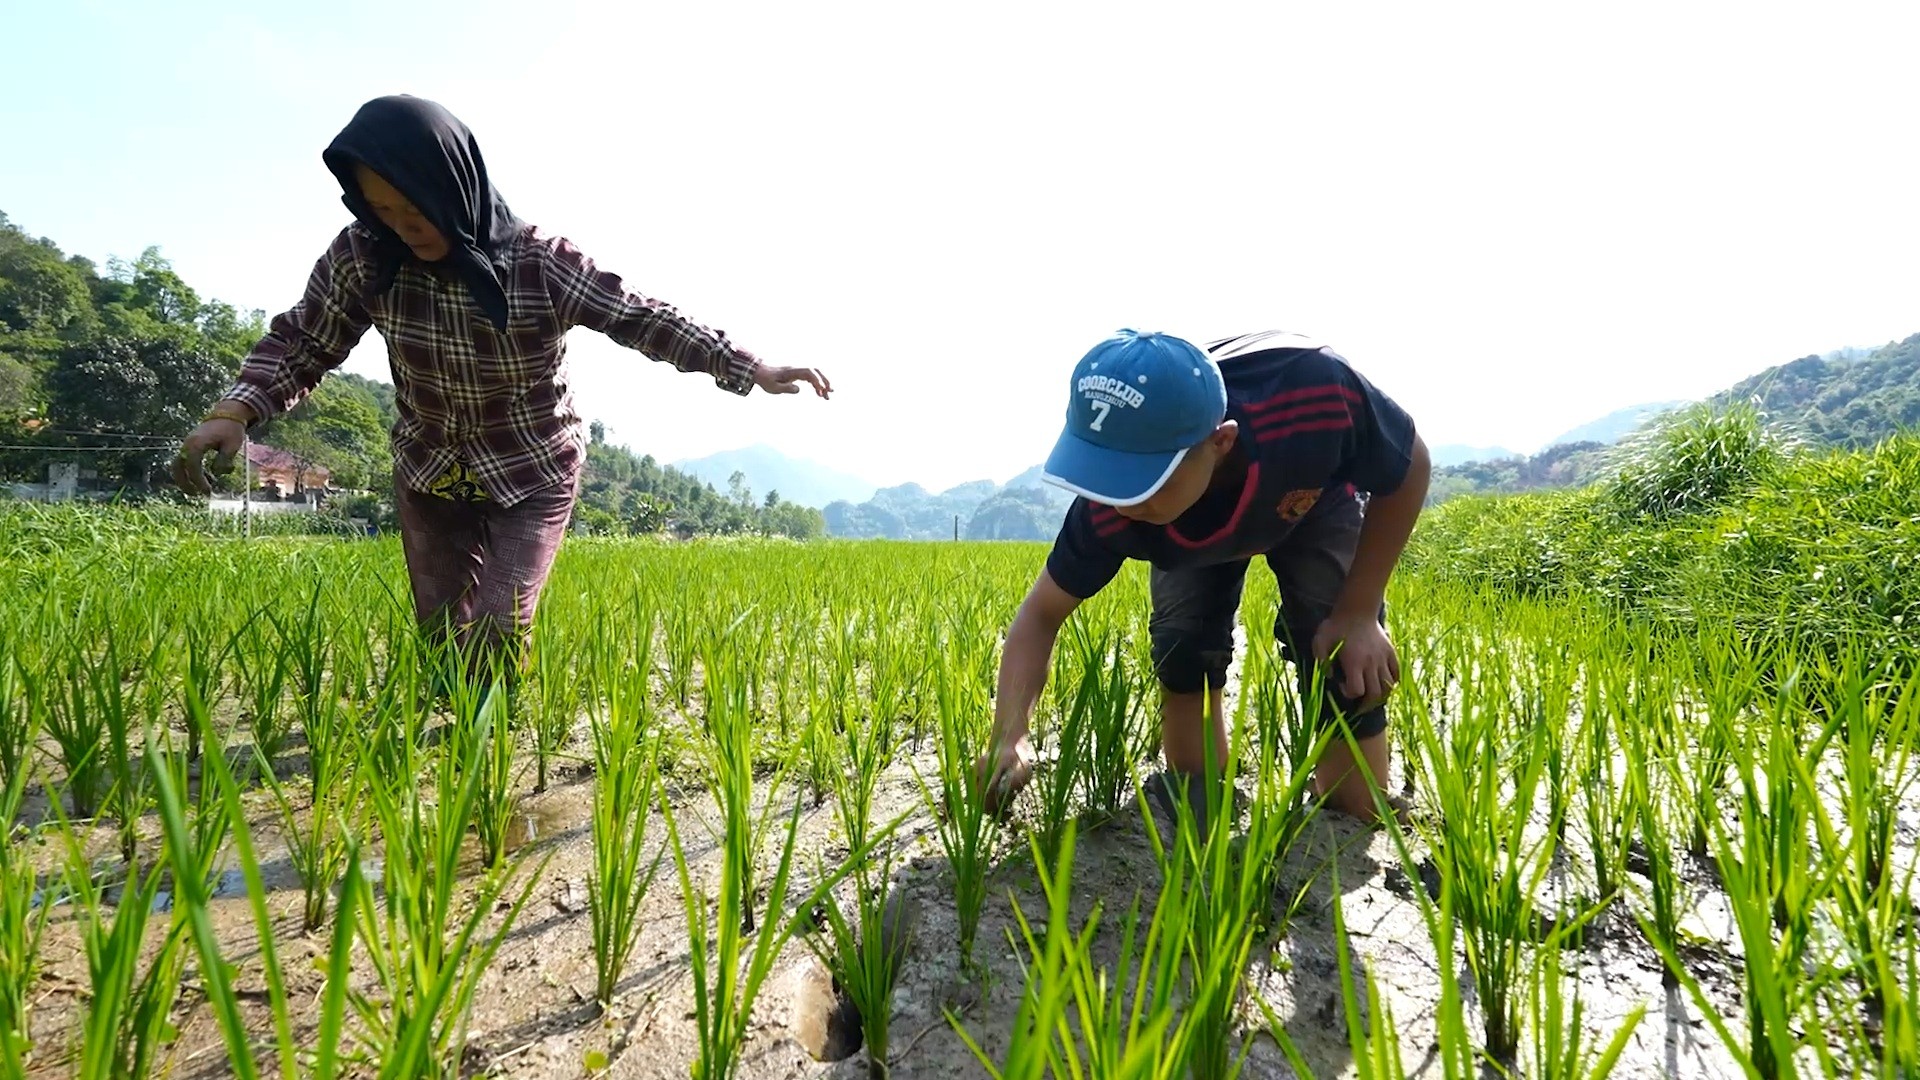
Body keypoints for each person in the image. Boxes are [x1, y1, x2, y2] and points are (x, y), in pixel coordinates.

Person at [173, 94, 830, 685]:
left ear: (454, 185)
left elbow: (639, 317)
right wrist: (237, 410)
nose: (406, 225)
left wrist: (749, 367)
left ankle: (490, 763)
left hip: (531, 468)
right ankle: (435, 777)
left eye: (417, 205)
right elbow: (305, 339)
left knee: (495, 631)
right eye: (385, 210)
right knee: (437, 645)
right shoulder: (364, 256)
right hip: (430, 468)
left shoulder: (538, 261)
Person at [975, 328, 1429, 833]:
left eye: (1144, 482)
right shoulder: (1113, 512)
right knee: (1185, 645)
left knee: (1343, 654)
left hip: (1310, 493)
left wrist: (1361, 610)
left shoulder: (1313, 391)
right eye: (1111, 480)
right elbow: (1039, 617)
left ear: (1221, 442)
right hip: (1188, 535)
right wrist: (1008, 735)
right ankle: (1202, 806)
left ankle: (1347, 815)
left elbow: (1410, 465)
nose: (1124, 503)